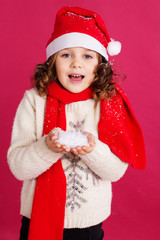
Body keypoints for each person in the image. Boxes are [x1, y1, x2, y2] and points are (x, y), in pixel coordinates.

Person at [7, 6, 146, 240]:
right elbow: (19, 168)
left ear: (99, 65)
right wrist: (46, 148)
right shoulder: (34, 101)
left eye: (87, 56)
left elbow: (115, 171)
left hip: (88, 226)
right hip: (36, 220)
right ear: (52, 61)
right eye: (66, 54)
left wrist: (92, 150)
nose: (76, 64)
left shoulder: (107, 103)